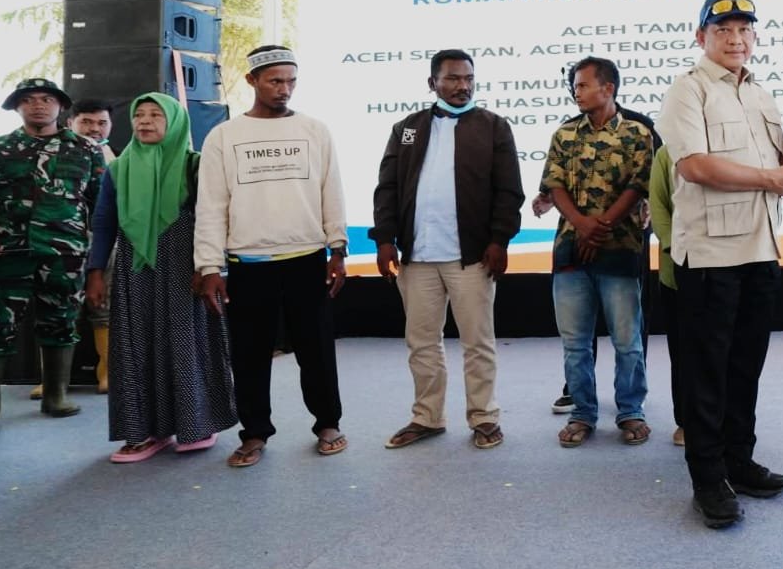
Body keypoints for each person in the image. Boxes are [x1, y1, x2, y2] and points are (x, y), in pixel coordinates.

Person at [658, 0, 783, 528]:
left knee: (746, 366)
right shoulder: (687, 89)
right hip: (711, 256)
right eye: (723, 30)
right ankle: (707, 479)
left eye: (744, 29)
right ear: (701, 37)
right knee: (708, 373)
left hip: (761, 249)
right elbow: (695, 167)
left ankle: (739, 462)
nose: (735, 38)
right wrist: (772, 177)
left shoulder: (761, 94)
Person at [195, 45, 349, 466]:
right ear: (252, 81)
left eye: (291, 81)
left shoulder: (315, 130)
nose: (285, 89)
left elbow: (331, 191)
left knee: (317, 351)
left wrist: (338, 248)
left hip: (307, 259)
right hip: (248, 264)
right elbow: (211, 206)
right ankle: (254, 433)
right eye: (275, 81)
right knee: (249, 355)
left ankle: (328, 424)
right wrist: (209, 266)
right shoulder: (224, 136)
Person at [371, 49, 524, 451]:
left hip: (471, 256)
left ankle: (484, 417)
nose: (463, 86)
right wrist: (384, 239)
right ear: (432, 83)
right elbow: (387, 187)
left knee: (478, 341)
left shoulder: (494, 127)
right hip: (417, 256)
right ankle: (428, 416)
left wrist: (500, 240)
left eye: (468, 78)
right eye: (453, 78)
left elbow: (509, 191)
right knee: (422, 342)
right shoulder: (407, 128)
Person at [86, 94, 235, 461]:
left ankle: (197, 424)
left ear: (175, 123)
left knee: (185, 342)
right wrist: (95, 272)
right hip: (136, 271)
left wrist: (211, 267)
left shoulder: (195, 166)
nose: (145, 121)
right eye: (139, 114)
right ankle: (143, 432)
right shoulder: (119, 169)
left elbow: (215, 219)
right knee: (135, 346)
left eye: (156, 115)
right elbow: (104, 223)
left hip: (187, 269)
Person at [0, 78, 104, 433]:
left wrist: (97, 256)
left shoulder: (86, 149)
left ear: (61, 106)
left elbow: (101, 204)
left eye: (47, 99)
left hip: (65, 253)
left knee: (61, 321)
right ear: (16, 106)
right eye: (29, 99)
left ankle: (56, 395)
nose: (38, 105)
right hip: (6, 252)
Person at [542, 56, 654, 448]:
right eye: (575, 85)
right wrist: (582, 225)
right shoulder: (564, 133)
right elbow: (554, 184)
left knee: (627, 341)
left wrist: (601, 225)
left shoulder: (638, 132)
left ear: (608, 88)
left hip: (620, 250)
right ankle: (583, 414)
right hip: (570, 252)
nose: (576, 92)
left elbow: (638, 186)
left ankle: (631, 411)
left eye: (583, 85)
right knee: (575, 343)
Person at [27, 98, 117, 401]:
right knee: (59, 310)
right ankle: (54, 382)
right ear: (70, 123)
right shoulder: (51, 152)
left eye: (101, 123)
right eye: (86, 122)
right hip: (60, 243)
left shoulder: (122, 158)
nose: (94, 129)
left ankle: (107, 374)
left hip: (104, 243)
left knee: (103, 306)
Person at [647, 144, 686, 446]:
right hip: (678, 270)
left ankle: (727, 420)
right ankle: (686, 421)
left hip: (727, 270)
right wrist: (677, 248)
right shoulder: (667, 153)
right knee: (684, 353)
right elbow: (658, 207)